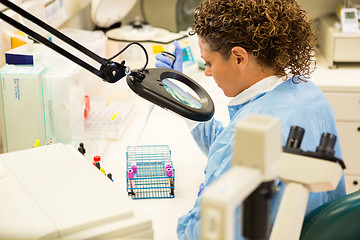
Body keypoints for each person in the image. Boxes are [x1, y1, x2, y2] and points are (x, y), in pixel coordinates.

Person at [155, 0, 346, 239]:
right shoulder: (307, 92)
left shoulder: (248, 131)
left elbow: (199, 234)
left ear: (238, 58)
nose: (207, 72)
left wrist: (202, 203)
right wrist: (184, 99)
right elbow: (229, 145)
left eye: (210, 62)